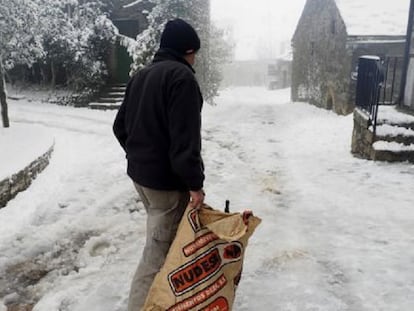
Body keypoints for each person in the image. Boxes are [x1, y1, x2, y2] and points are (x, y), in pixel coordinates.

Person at [112, 18, 205, 311]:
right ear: (187, 50)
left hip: (141, 179)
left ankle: (166, 299)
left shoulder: (141, 75)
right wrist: (195, 185)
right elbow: (184, 142)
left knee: (161, 240)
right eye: (194, 54)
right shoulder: (182, 79)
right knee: (156, 252)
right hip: (165, 184)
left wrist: (140, 156)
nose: (195, 60)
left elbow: (120, 127)